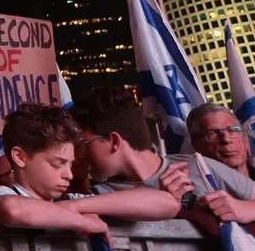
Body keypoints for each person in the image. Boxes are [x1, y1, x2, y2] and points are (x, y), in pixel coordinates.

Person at [0, 104, 177, 240]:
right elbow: (13, 209)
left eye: (70, 165)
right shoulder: (1, 195)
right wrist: (82, 222)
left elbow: (167, 204)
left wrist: (76, 206)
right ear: (20, 157)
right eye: (58, 164)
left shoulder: (71, 200)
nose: (69, 175)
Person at [71, 92, 255, 223]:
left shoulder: (197, 165)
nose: (79, 155)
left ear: (114, 141)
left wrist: (241, 208)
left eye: (85, 145)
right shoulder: (102, 194)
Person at [187, 102, 251, 179]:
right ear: (196, 145)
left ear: (245, 139)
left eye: (233, 130)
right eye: (212, 133)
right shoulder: (193, 189)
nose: (226, 139)